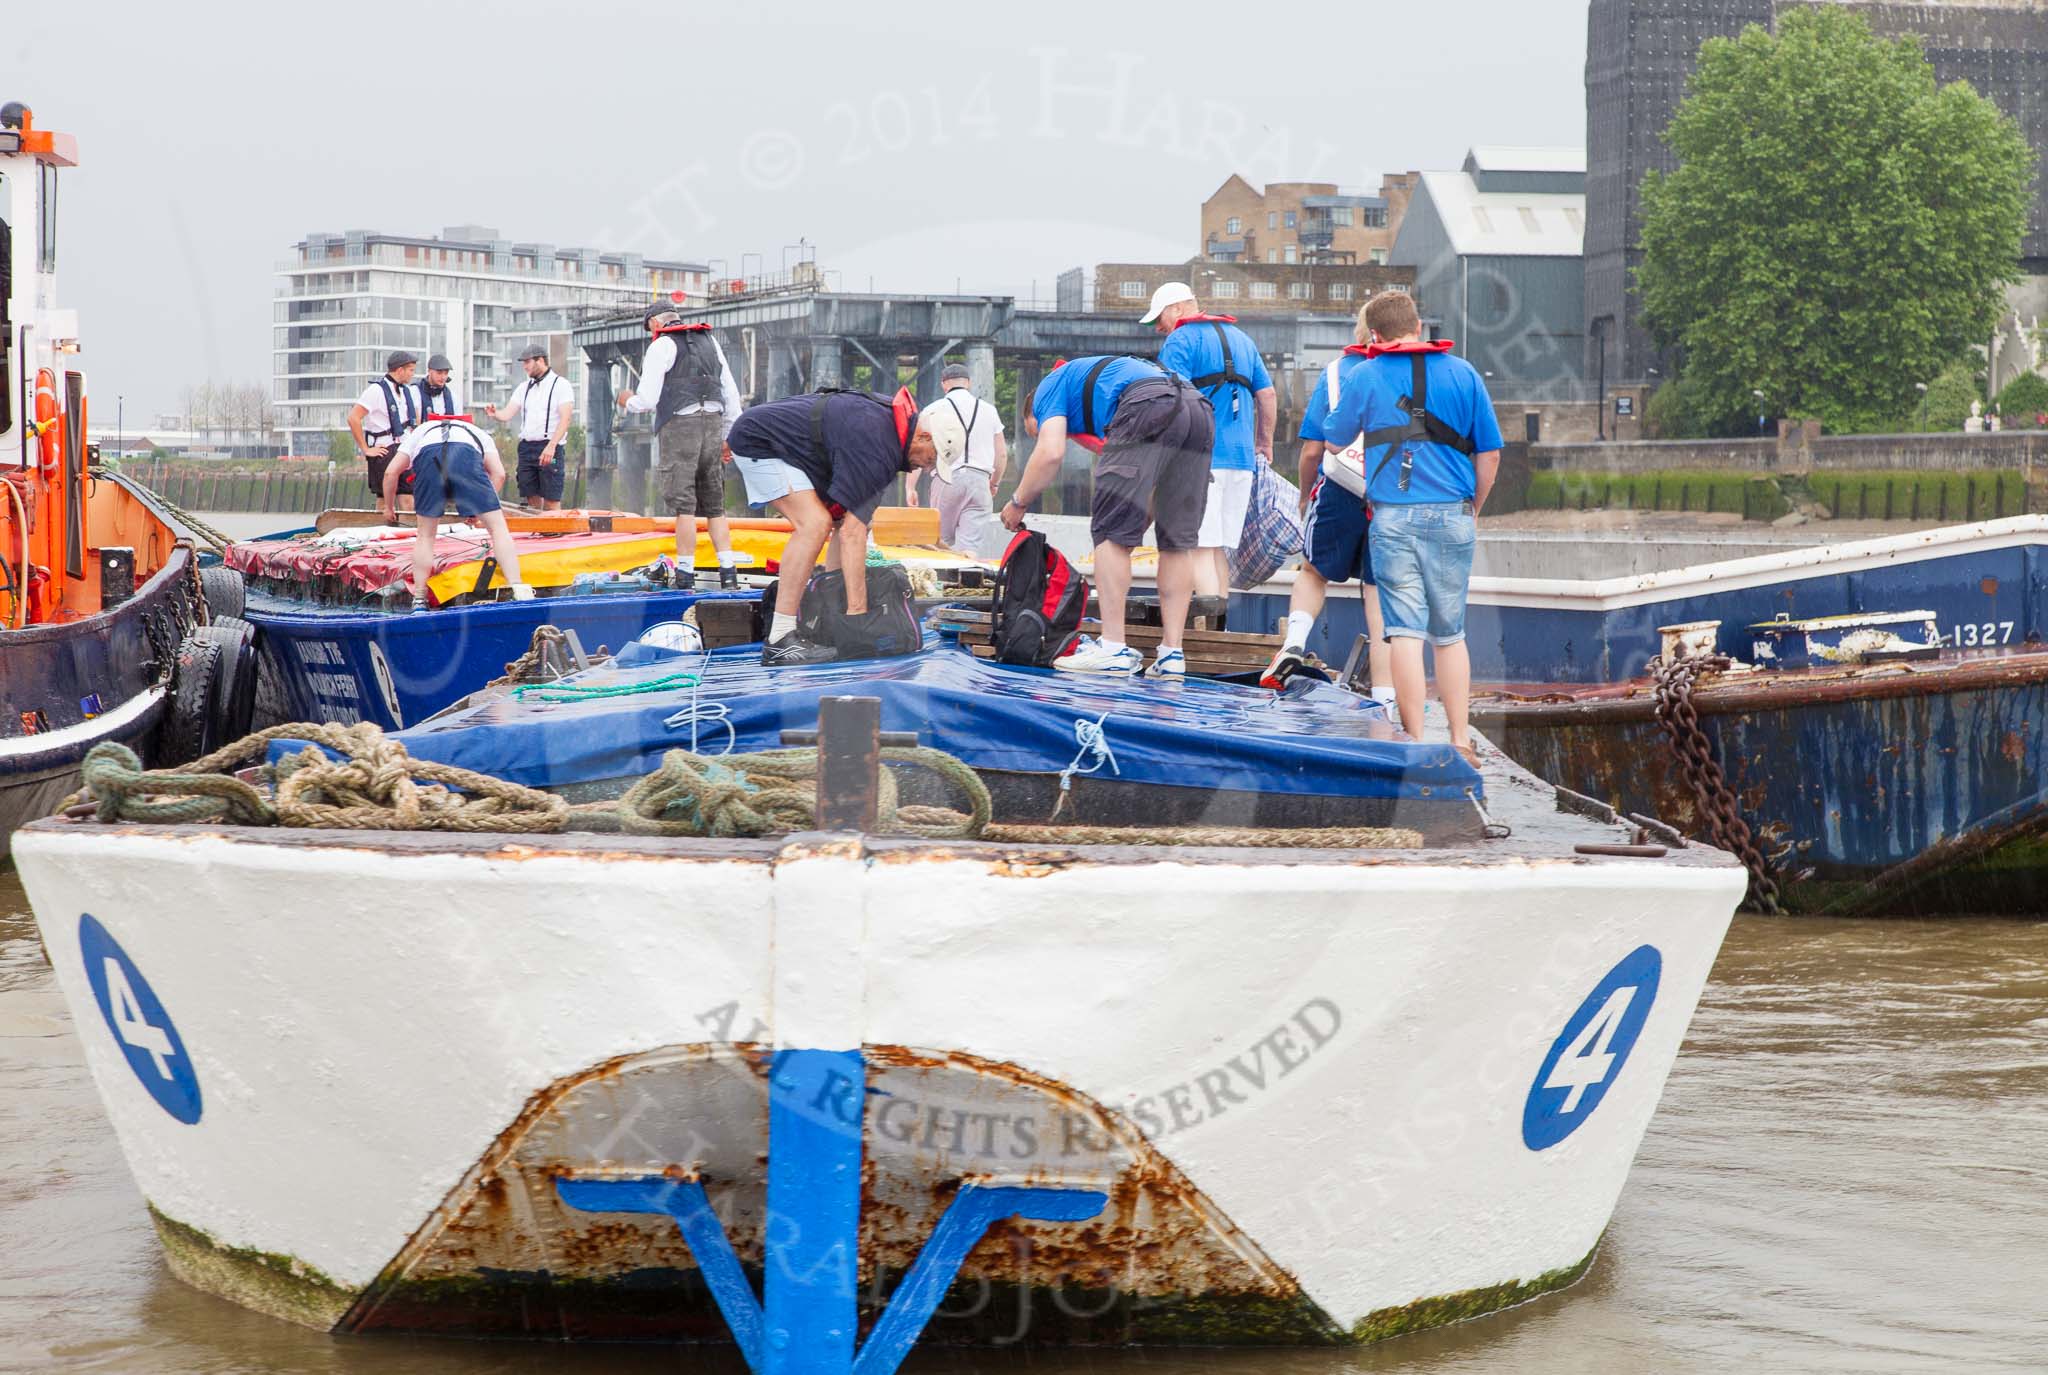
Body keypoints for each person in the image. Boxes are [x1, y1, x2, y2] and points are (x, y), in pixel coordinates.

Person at [1321, 291, 1501, 761]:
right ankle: (1460, 740)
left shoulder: (1365, 373)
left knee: (1404, 632)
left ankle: (1415, 744)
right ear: (1419, 326)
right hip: (1454, 514)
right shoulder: (1464, 373)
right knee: (1451, 633)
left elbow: (1335, 441)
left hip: (1393, 518)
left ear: (1374, 336)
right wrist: (1473, 506)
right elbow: (1491, 453)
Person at [1001, 355, 1211, 678]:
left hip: (1148, 404)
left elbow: (1050, 452)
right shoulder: (1104, 389)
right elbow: (1145, 483)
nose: (1038, 433)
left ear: (1033, 412)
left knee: (1109, 533)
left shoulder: (1048, 389)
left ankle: (1112, 648)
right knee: (1176, 542)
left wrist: (1017, 502)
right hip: (1197, 409)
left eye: (1035, 429)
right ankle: (1172, 654)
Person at [725, 387, 960, 665]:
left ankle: (828, 613)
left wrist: (840, 619)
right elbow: (852, 534)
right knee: (814, 523)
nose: (926, 467)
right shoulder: (877, 444)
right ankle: (779, 639)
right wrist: (858, 617)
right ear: (923, 436)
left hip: (799, 450)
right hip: (759, 440)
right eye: (930, 459)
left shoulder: (889, 434)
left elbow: (851, 524)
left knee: (840, 520)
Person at [1262, 304, 1393, 699]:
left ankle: (1294, 644)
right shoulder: (1407, 373)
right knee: (1378, 595)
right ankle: (1385, 698)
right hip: (1391, 495)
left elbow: (1312, 450)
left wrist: (1305, 496)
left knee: (1313, 571)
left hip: (1339, 486)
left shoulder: (1336, 373)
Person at [1142, 282, 1276, 598]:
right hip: (1242, 462)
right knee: (1217, 551)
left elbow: (1171, 401)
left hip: (1202, 461)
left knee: (1199, 549)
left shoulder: (1181, 339)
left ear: (1177, 308)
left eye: (1159, 318)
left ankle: (1207, 631)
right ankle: (1222, 629)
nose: (1159, 327)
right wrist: (1264, 442)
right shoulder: (1242, 339)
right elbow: (1267, 395)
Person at [616, 299, 748, 588]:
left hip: (680, 426)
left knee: (684, 505)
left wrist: (628, 401)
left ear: (653, 323)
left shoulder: (661, 345)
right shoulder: (710, 341)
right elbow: (730, 392)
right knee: (715, 504)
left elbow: (648, 400)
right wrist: (729, 438)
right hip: (713, 422)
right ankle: (729, 572)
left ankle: (685, 574)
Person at [377, 411, 531, 610]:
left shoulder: (420, 431)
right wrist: (479, 508)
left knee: (425, 536)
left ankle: (420, 598)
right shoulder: (479, 433)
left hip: (428, 459)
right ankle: (518, 588)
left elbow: (391, 472)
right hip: (465, 456)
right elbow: (499, 474)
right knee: (498, 529)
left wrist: (388, 508)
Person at [921, 363, 1008, 557]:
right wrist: (994, 484)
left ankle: (942, 585)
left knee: (939, 541)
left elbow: (920, 449)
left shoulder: (932, 409)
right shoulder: (989, 410)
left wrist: (910, 487)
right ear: (968, 383)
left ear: (944, 384)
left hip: (946, 478)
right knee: (970, 546)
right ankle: (964, 586)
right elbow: (1001, 454)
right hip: (980, 481)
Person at [485, 346, 575, 511]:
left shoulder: (561, 385)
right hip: (527, 447)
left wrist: (552, 446)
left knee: (551, 495)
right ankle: (537, 531)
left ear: (540, 360)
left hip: (549, 447)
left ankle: (554, 532)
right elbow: (507, 413)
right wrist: (495, 413)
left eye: (527, 362)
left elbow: (566, 418)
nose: (525, 367)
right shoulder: (524, 387)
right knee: (530, 493)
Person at [348, 350, 424, 508]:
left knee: (408, 495)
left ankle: (408, 530)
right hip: (384, 447)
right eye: (410, 370)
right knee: (384, 497)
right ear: (400, 370)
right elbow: (353, 418)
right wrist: (366, 448)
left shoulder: (406, 391)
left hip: (404, 447)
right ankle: (383, 529)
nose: (412, 374)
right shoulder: (375, 390)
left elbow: (414, 420)